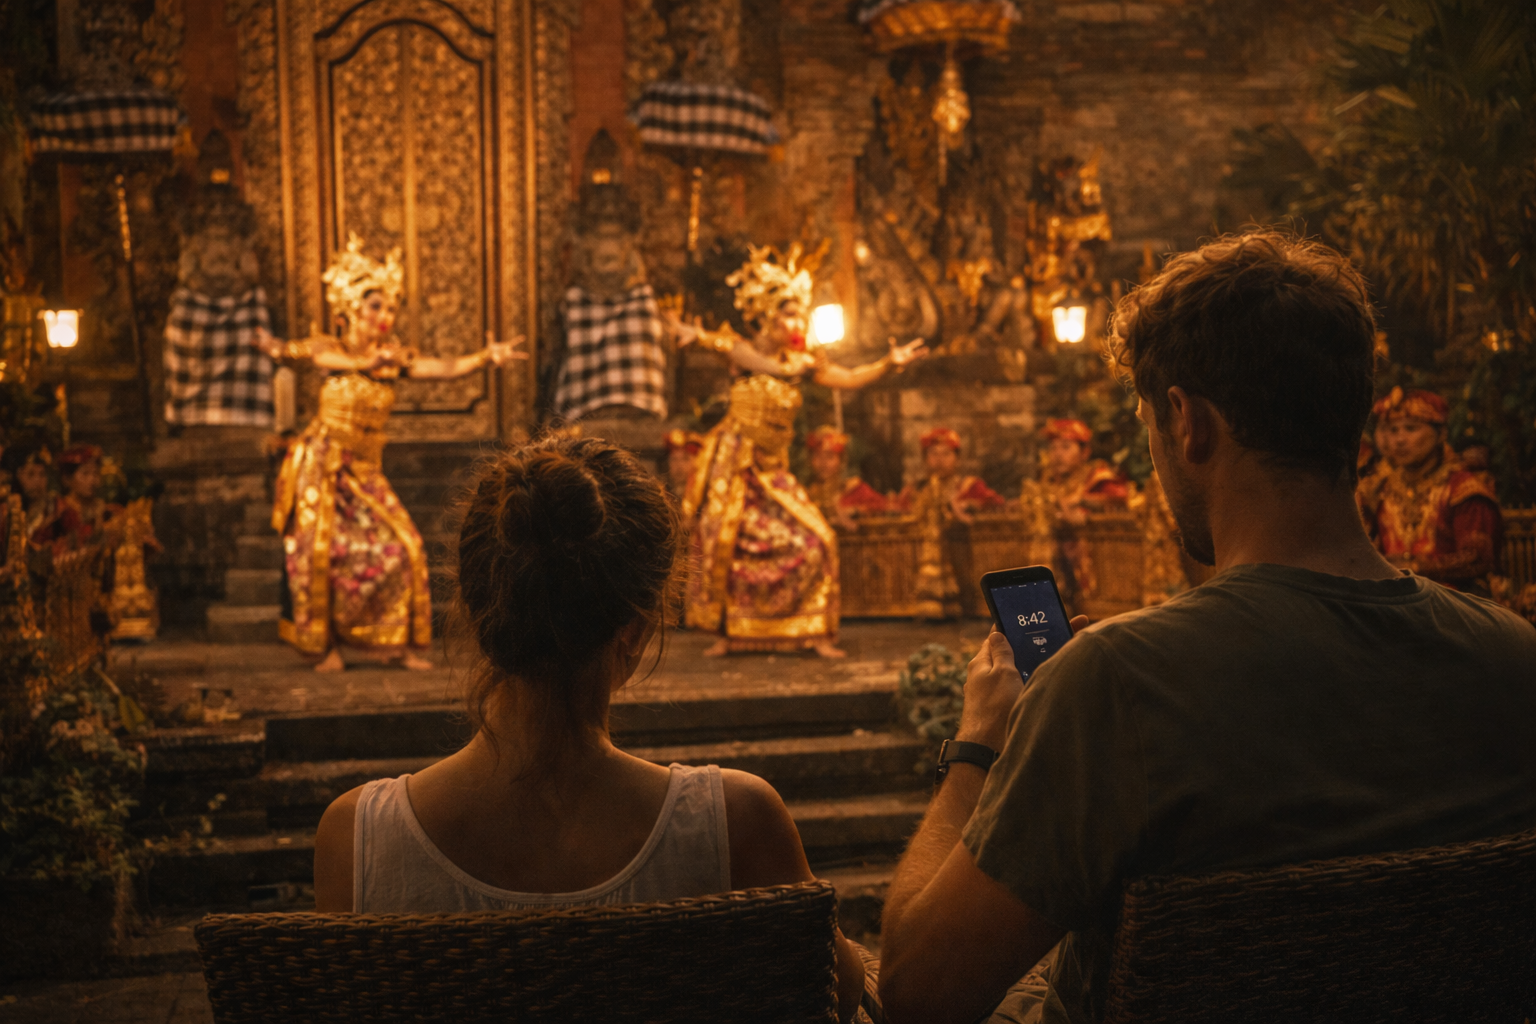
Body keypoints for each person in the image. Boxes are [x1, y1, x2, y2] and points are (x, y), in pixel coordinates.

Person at [877, 232, 1536, 1024]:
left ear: (1187, 423)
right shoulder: (1511, 659)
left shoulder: (1118, 683)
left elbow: (919, 994)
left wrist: (981, 743)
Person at [311, 435, 869, 1021]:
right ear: (635, 630)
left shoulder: (358, 838)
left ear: (476, 611)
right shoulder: (735, 821)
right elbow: (846, 992)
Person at [260, 234, 525, 672]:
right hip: (323, 464)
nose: (386, 316)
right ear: (350, 311)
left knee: (406, 545)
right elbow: (314, 358)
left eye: (390, 308)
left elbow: (442, 369)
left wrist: (484, 358)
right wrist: (281, 349)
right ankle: (324, 647)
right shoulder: (333, 348)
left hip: (364, 469)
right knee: (320, 553)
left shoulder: (392, 359)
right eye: (375, 307)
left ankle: (397, 645)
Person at [670, 242, 927, 658]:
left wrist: (887, 363)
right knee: (728, 545)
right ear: (769, 316)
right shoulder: (745, 355)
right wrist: (692, 334)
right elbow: (723, 346)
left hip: (773, 472)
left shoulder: (805, 362)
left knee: (818, 539)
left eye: (799, 313)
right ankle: (732, 631)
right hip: (734, 466)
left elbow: (849, 376)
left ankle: (812, 631)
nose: (797, 321)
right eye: (789, 313)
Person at [1357, 386, 1501, 593]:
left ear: (1441, 433)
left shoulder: (1463, 489)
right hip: (1390, 600)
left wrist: (1414, 567)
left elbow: (1477, 559)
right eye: (1392, 429)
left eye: (1411, 428)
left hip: (1454, 601)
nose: (1399, 439)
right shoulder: (1377, 489)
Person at [1018, 419, 1130, 609]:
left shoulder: (1096, 477)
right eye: (1053, 449)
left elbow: (1121, 499)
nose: (1057, 455)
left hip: (1096, 568)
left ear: (1085, 452)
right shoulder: (1046, 482)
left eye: (1065, 447)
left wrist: (1081, 501)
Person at [896, 427, 1004, 620]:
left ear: (957, 458)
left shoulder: (969, 487)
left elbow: (996, 505)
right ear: (924, 459)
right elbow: (896, 512)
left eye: (946, 454)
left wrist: (964, 507)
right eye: (933, 454)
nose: (939, 460)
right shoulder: (916, 490)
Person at [804, 425, 891, 527]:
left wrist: (855, 511)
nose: (823, 463)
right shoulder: (804, 495)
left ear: (841, 461)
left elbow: (886, 507)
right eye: (817, 456)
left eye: (829, 456)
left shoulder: (856, 490)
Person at [663, 427, 704, 498]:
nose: (679, 465)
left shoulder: (703, 496)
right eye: (674, 459)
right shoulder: (662, 493)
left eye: (685, 459)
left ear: (696, 462)